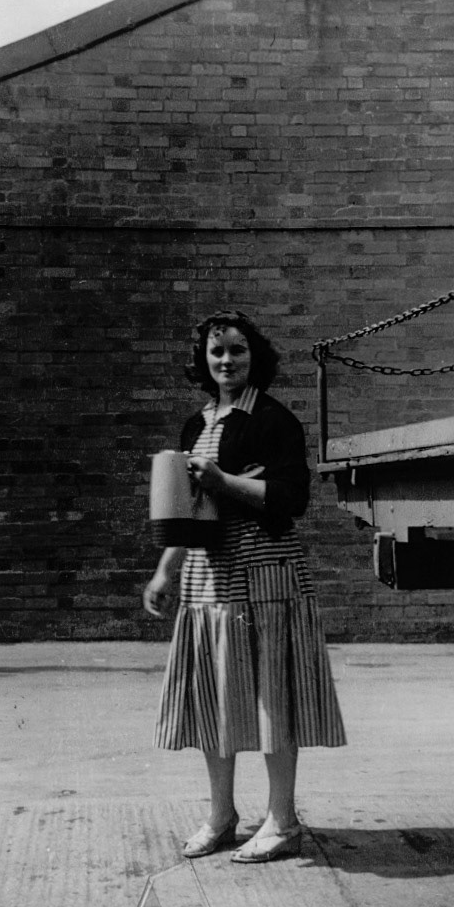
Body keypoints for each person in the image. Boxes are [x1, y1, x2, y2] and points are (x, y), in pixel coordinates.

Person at [143, 310, 346, 863]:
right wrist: (166, 570)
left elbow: (291, 499)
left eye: (237, 350)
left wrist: (224, 480)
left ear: (255, 357)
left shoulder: (274, 420)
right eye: (217, 353)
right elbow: (191, 509)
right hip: (208, 579)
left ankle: (282, 821)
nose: (226, 361)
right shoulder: (197, 423)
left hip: (267, 575)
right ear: (204, 361)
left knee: (271, 700)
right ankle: (222, 816)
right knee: (215, 700)